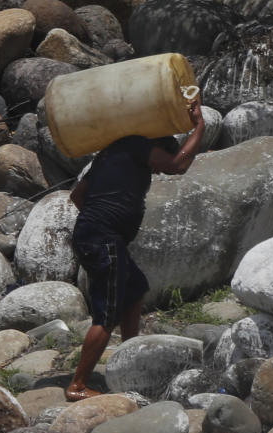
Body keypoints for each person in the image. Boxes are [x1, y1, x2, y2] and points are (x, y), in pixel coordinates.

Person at [65, 101, 205, 402]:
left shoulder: (110, 153)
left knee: (136, 287)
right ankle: (77, 385)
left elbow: (78, 195)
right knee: (107, 313)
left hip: (95, 234)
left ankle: (128, 359)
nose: (156, 168)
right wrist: (199, 128)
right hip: (103, 238)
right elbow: (179, 165)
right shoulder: (138, 145)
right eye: (157, 160)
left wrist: (100, 214)